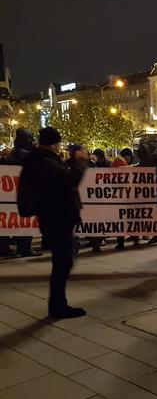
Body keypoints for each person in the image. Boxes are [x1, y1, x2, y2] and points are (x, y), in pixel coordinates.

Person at [20, 127, 89, 319]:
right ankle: (58, 305)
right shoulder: (43, 161)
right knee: (63, 262)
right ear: (54, 143)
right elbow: (69, 179)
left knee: (63, 260)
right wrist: (81, 162)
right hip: (57, 217)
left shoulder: (41, 159)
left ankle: (58, 303)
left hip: (55, 215)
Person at [7, 129, 39, 257]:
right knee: (25, 221)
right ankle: (25, 247)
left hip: (11, 192)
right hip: (24, 192)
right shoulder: (25, 154)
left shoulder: (13, 153)